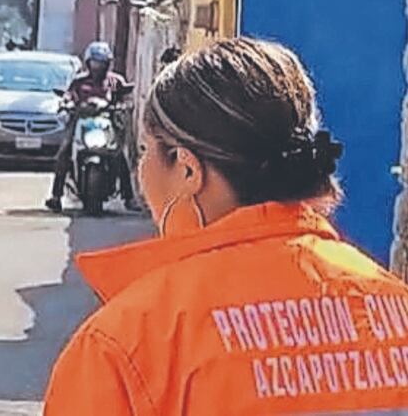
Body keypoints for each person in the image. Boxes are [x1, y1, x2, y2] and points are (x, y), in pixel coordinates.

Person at [42, 38, 408, 415]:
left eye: (145, 151)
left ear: (187, 170)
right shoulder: (397, 308)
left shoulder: (126, 344)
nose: (141, 170)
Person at [45, 41, 140, 213]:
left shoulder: (114, 81)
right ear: (88, 63)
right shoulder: (79, 81)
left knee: (119, 155)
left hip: (106, 122)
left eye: (102, 63)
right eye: (95, 63)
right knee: (64, 152)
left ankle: (129, 198)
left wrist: (124, 104)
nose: (98, 67)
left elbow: (125, 97)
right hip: (81, 121)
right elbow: (68, 95)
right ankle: (56, 196)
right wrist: (66, 103)